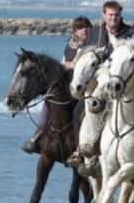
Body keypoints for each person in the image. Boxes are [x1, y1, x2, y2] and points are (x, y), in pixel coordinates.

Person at [21, 15, 92, 155]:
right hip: (67, 83)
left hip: (84, 85)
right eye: (80, 27)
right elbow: (63, 62)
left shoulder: (91, 45)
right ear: (75, 31)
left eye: (86, 27)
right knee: (50, 101)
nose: (84, 30)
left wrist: (72, 65)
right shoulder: (69, 45)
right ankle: (37, 136)